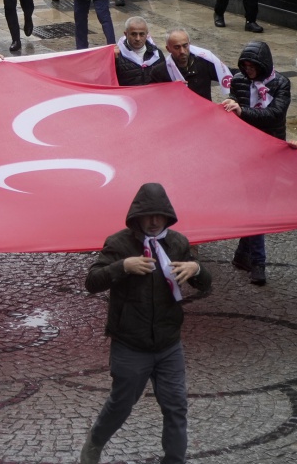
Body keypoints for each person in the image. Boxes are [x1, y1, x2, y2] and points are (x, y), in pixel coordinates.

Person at [79, 183, 210, 464]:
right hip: (130, 344)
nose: (153, 222)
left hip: (168, 343)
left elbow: (205, 285)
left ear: (167, 216)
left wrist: (197, 269)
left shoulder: (178, 243)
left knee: (176, 407)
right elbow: (91, 282)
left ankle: (174, 460)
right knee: (121, 404)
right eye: (148, 215)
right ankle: (94, 444)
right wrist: (122, 267)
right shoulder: (118, 243)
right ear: (137, 216)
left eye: (159, 216)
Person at [220, 40, 290, 284]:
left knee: (256, 204)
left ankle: (243, 253)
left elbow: (275, 115)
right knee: (256, 204)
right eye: (245, 66)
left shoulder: (281, 83)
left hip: (270, 150)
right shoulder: (239, 81)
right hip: (246, 152)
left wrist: (242, 111)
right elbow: (232, 105)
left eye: (252, 66)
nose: (248, 71)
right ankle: (258, 261)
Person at [146, 29, 229, 99]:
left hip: (203, 114)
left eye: (185, 46)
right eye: (177, 47)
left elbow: (230, 75)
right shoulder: (159, 71)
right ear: (168, 49)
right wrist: (169, 88)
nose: (182, 51)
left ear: (190, 44)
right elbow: (152, 97)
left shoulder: (204, 63)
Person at [113, 16, 164, 86]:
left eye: (142, 34)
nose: (138, 38)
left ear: (147, 34)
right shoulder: (116, 56)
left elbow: (165, 79)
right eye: (133, 34)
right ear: (126, 34)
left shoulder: (157, 55)